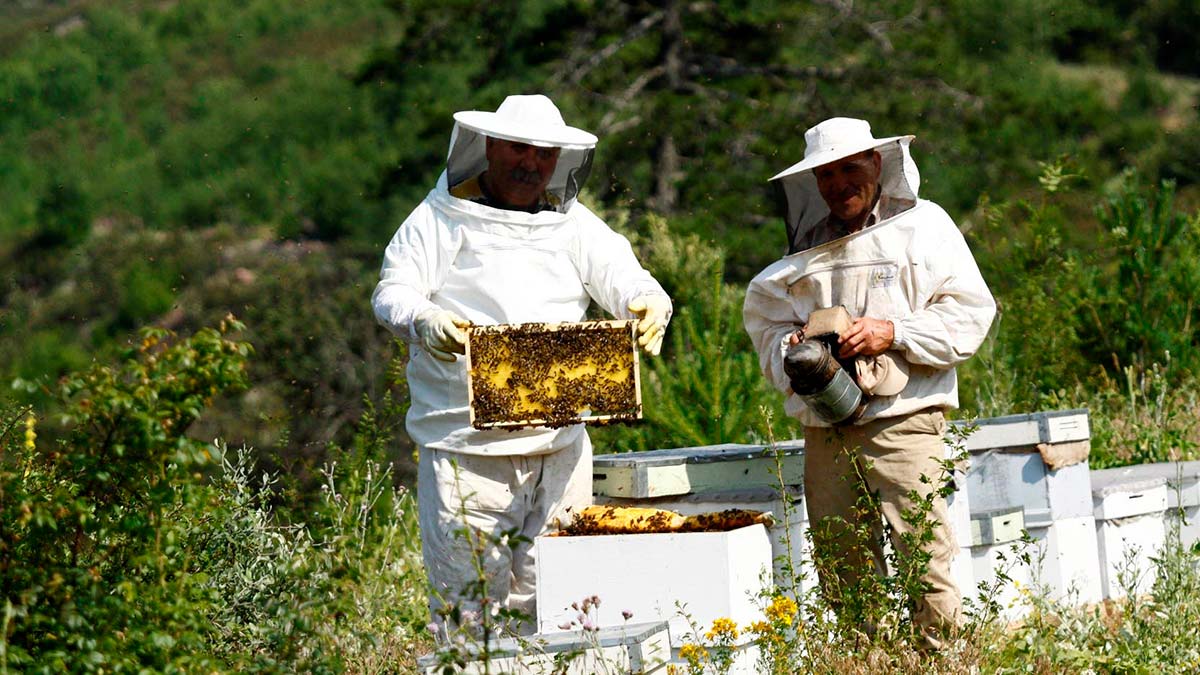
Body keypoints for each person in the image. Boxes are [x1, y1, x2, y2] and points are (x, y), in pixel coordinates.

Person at [372, 94, 672, 635]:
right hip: (469, 452)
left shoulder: (572, 223)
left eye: (545, 154)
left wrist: (650, 299)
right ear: (487, 146)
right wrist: (424, 319)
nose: (531, 164)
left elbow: (623, 274)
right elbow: (393, 291)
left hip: (561, 449)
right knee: (472, 619)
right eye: (519, 148)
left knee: (567, 608)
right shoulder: (439, 219)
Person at [743, 117, 995, 647]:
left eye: (849, 168)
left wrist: (893, 331)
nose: (838, 184)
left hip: (905, 423)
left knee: (925, 560)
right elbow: (764, 316)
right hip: (825, 429)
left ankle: (942, 661)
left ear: (876, 163)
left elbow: (971, 313)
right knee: (842, 567)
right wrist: (791, 348)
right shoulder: (806, 248)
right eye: (826, 175)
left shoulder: (925, 227)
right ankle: (867, 661)